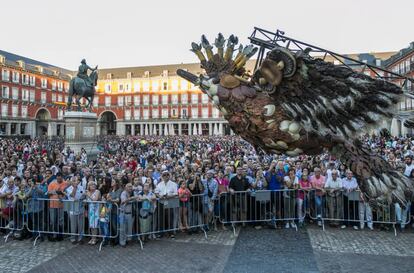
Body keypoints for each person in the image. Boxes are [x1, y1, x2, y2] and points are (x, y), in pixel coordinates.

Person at [154, 170, 178, 238]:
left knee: (170, 217)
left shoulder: (173, 184)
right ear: (162, 176)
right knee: (160, 218)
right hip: (161, 202)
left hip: (170, 202)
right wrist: (159, 196)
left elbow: (176, 193)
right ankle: (161, 233)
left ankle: (171, 233)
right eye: (164, 175)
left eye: (167, 175)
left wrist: (169, 196)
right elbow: (156, 192)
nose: (166, 176)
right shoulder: (159, 184)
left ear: (169, 175)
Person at [47, 172, 68, 241]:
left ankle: (60, 235)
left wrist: (63, 193)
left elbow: (67, 193)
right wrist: (55, 191)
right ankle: (53, 235)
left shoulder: (65, 183)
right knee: (53, 220)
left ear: (62, 177)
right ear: (56, 177)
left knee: (60, 220)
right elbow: (48, 193)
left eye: (60, 178)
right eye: (58, 178)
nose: (59, 179)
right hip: (53, 205)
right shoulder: (52, 183)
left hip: (61, 205)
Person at [65, 176, 86, 244]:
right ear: (71, 181)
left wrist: (81, 198)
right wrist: (74, 187)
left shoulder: (81, 187)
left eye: (76, 181)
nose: (75, 182)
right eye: (73, 181)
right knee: (73, 224)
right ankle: (73, 238)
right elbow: (72, 195)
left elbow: (84, 195)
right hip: (72, 208)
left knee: (81, 224)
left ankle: (80, 238)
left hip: (80, 207)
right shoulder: (68, 188)